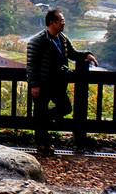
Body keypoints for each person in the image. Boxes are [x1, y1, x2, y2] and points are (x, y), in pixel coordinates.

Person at [26, 9, 98, 155]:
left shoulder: (62, 38)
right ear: (52, 23)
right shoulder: (37, 41)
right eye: (62, 20)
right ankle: (43, 146)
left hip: (58, 84)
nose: (64, 23)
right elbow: (31, 65)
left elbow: (73, 54)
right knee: (40, 112)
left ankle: (45, 120)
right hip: (42, 83)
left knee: (65, 108)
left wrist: (87, 55)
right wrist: (34, 85)